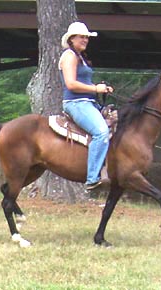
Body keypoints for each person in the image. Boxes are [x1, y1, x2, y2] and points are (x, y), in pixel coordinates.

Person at [59, 21, 113, 190]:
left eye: (86, 37)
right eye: (81, 37)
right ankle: (92, 177)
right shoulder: (69, 56)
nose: (85, 40)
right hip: (76, 103)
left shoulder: (80, 56)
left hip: (88, 102)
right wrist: (96, 88)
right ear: (71, 39)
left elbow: (83, 82)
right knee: (101, 132)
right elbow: (71, 84)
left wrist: (101, 89)